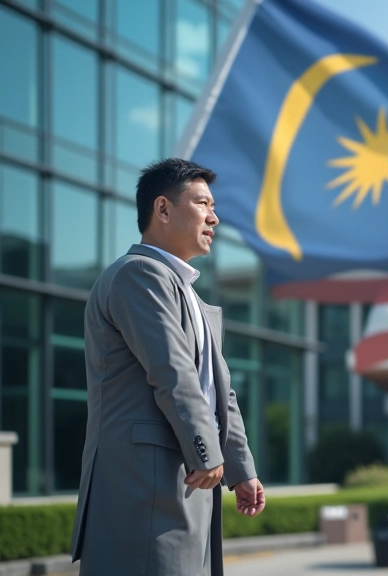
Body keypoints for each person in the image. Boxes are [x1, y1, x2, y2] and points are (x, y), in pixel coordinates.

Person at [71, 158, 266, 576]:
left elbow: (219, 391)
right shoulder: (137, 274)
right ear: (163, 209)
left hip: (186, 478)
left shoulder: (189, 295)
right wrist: (206, 449)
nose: (214, 217)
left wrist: (240, 470)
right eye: (202, 203)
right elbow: (173, 373)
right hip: (146, 484)